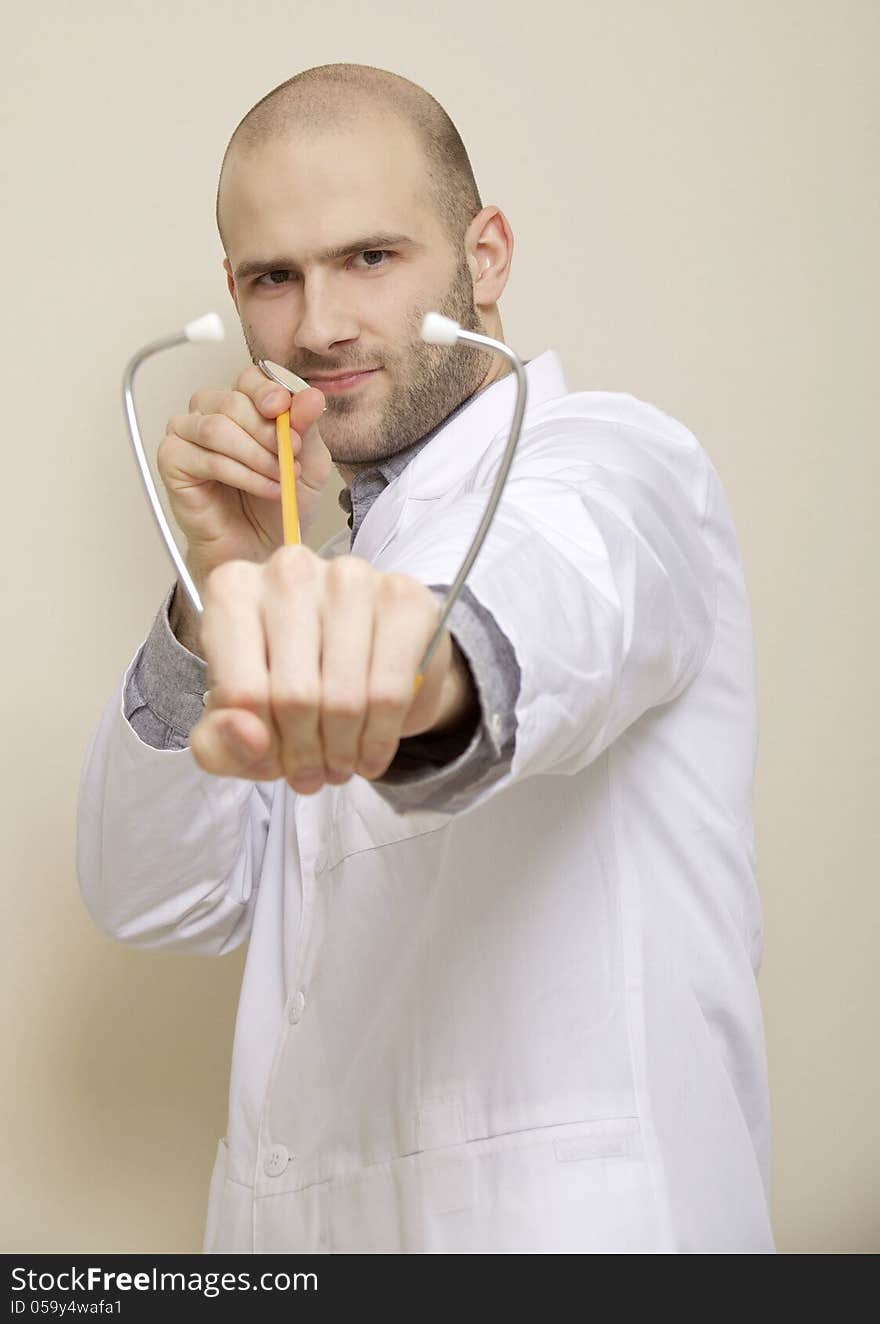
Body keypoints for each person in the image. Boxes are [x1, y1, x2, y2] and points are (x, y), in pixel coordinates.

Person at [76, 62, 775, 1253]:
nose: (320, 326)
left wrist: (416, 676)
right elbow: (155, 899)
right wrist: (218, 594)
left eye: (370, 258)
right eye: (273, 278)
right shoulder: (319, 559)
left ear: (484, 256)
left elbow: (557, 603)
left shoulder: (611, 462)